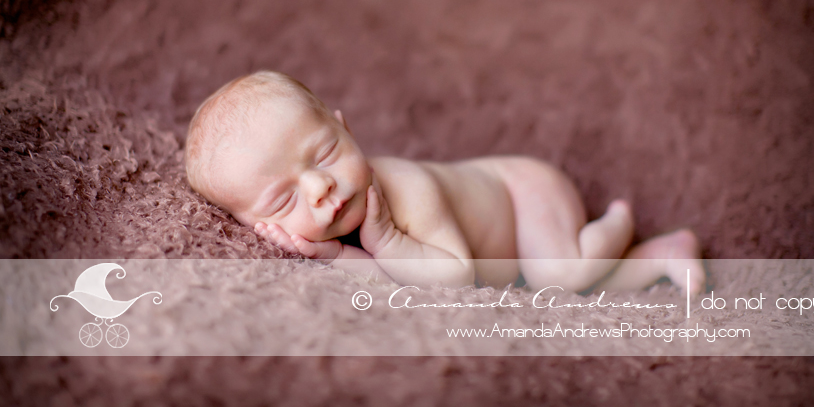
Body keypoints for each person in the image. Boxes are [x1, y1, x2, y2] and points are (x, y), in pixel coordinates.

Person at [185, 71, 705, 294]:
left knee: (561, 276)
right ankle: (662, 255)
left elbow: (455, 279)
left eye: (325, 153)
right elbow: (393, 283)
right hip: (512, 261)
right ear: (254, 225)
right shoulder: (329, 223)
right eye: (284, 198)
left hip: (522, 193)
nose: (320, 185)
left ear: (346, 128)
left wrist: (384, 240)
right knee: (566, 291)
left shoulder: (406, 191)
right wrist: (334, 258)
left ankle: (617, 223)